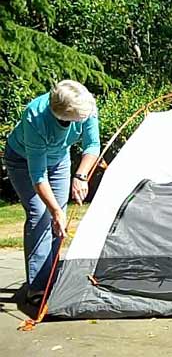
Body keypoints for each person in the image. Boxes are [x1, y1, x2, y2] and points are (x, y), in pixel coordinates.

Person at [3, 80, 100, 305]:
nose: (85, 120)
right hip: (22, 160)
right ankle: (37, 287)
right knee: (41, 215)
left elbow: (92, 145)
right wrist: (54, 209)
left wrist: (81, 176)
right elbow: (37, 175)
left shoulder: (85, 105)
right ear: (62, 116)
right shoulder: (35, 117)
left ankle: (50, 278)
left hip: (59, 160)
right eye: (79, 119)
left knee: (59, 220)